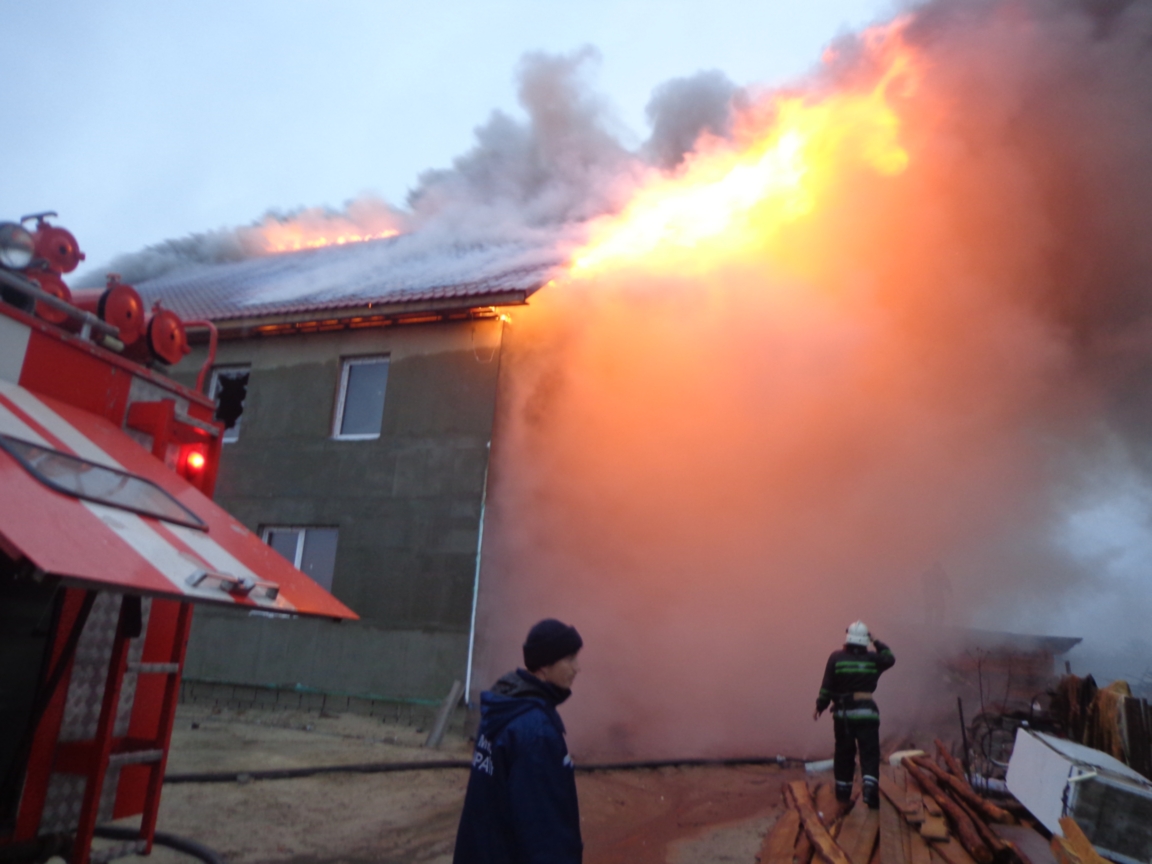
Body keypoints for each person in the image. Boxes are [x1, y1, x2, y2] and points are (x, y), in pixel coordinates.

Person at [453, 618, 584, 864]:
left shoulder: (501, 710)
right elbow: (544, 826)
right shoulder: (536, 731)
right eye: (569, 659)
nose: (577, 668)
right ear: (545, 666)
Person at [813, 621, 895, 809]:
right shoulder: (874, 659)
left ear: (847, 638)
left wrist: (820, 706)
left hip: (843, 716)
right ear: (865, 640)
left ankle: (842, 795)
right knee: (869, 753)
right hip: (867, 714)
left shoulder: (836, 657)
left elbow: (827, 686)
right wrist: (875, 639)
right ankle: (869, 792)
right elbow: (890, 658)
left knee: (843, 754)